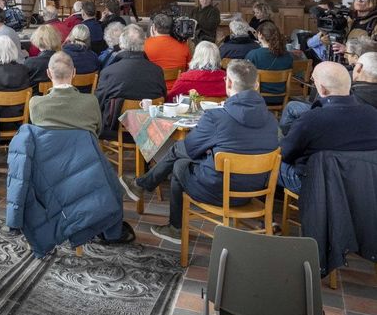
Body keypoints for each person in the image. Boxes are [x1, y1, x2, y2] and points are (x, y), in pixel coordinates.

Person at [118, 60, 279, 243]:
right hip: (257, 190)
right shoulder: (272, 120)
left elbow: (188, 149)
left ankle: (174, 225)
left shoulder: (216, 117)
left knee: (179, 162)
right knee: (184, 155)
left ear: (228, 83)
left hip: (218, 191)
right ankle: (144, 186)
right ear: (256, 84)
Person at [277, 61, 377, 194]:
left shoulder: (311, 119)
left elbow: (284, 154)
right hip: (362, 185)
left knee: (270, 162)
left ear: (322, 89)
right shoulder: (372, 113)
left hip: (317, 186)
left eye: (313, 80)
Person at [94, 25, 167, 138]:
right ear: (143, 44)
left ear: (121, 44)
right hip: (150, 132)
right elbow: (163, 98)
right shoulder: (157, 71)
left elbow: (98, 103)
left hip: (114, 132)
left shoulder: (109, 72)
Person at [29, 52, 102, 136]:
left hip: (49, 149)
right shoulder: (91, 102)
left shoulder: (36, 103)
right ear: (74, 72)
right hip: (82, 148)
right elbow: (98, 131)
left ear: (48, 74)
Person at [245, 21, 292, 105]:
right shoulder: (288, 56)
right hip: (280, 97)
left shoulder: (253, 54)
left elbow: (245, 78)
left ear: (260, 35)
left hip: (258, 98)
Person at [144, 13, 191, 86]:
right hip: (176, 90)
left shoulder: (145, 45)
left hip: (153, 90)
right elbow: (189, 69)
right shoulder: (183, 46)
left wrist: (151, 39)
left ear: (153, 28)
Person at [24, 24, 62, 89]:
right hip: (58, 97)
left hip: (34, 97)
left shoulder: (30, 62)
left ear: (37, 40)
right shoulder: (64, 60)